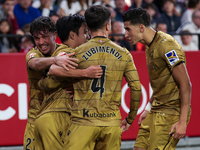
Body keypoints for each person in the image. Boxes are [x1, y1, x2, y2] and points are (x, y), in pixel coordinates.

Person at [58, 5, 141, 150]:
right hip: (111, 123)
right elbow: (136, 88)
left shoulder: (76, 53)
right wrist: (130, 118)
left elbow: (55, 76)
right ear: (108, 25)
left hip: (82, 122)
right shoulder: (124, 53)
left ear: (87, 27)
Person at [122, 8, 191, 150]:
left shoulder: (167, 45)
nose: (125, 34)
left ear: (141, 27)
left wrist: (182, 121)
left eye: (128, 29)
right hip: (156, 109)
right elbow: (162, 83)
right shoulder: (149, 45)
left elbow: (185, 83)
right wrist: (148, 107)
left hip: (171, 112)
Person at [33, 14, 103, 150]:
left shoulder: (61, 51)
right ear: (72, 35)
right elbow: (52, 71)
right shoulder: (69, 53)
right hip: (57, 117)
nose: (87, 37)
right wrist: (85, 74)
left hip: (46, 117)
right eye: (85, 33)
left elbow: (45, 82)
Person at [23, 16, 84, 150]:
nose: (41, 42)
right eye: (36, 38)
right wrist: (55, 60)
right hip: (34, 118)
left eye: (45, 37)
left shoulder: (65, 51)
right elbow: (34, 63)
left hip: (58, 118)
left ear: (54, 34)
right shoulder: (33, 53)